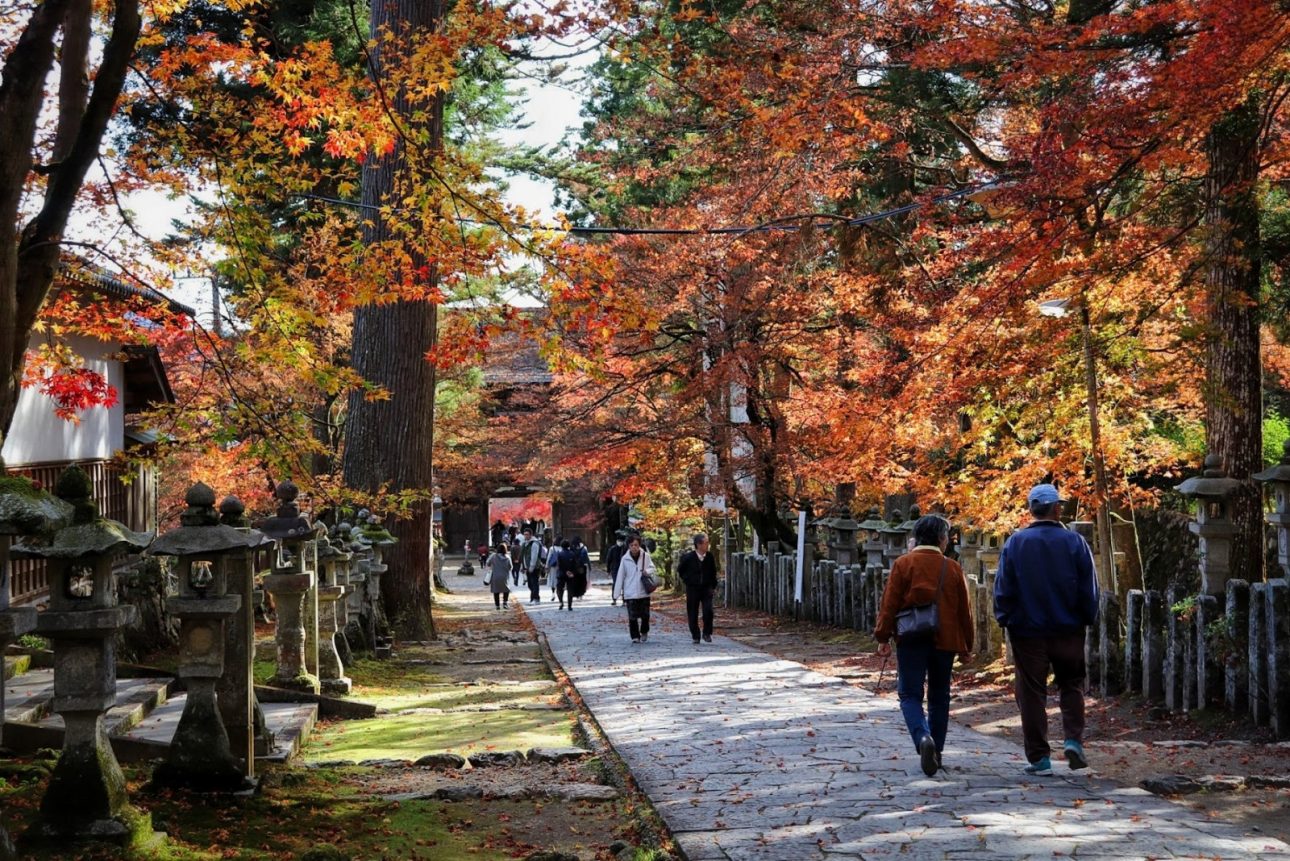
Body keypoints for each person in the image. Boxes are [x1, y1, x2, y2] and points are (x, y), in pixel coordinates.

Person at [994, 483, 1099, 776]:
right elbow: (1089, 586)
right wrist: (1087, 616)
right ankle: (1073, 740)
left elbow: (1003, 587)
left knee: (1031, 692)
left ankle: (1040, 757)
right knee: (1072, 684)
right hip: (1068, 627)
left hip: (1027, 630)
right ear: (1056, 508)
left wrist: (1005, 618)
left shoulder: (1015, 543)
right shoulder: (1076, 542)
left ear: (1031, 509)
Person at [874, 514, 973, 777]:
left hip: (911, 638)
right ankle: (936, 752)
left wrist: (883, 637)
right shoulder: (952, 567)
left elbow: (889, 604)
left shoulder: (904, 564)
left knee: (909, 694)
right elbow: (964, 610)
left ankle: (922, 738)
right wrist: (967, 646)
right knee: (940, 696)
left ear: (916, 537)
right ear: (942, 539)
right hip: (946, 639)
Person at [612, 535, 657, 643]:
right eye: (631, 545)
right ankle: (635, 636)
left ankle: (644, 631)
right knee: (632, 616)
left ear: (639, 545)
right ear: (628, 546)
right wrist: (616, 593)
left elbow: (653, 567)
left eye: (636, 545)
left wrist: (647, 571)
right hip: (630, 592)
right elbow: (620, 576)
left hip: (643, 591)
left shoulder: (645, 556)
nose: (634, 547)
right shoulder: (625, 559)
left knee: (645, 615)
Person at [677, 533, 719, 644]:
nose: (707, 545)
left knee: (708, 610)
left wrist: (713, 585)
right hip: (693, 588)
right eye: (706, 543)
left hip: (706, 588)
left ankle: (707, 632)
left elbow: (713, 571)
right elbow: (681, 570)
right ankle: (695, 634)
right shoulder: (689, 557)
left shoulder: (709, 557)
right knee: (692, 612)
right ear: (699, 545)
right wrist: (688, 580)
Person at [485, 542, 512, 610]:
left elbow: (488, 563)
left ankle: (497, 605)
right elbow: (510, 567)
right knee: (506, 590)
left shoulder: (493, 556)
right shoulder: (507, 557)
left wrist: (492, 566)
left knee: (496, 591)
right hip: (504, 576)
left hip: (495, 576)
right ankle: (505, 603)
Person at [520, 528, 544, 604]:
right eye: (524, 534)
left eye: (527, 534)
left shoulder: (534, 543)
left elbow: (534, 556)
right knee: (530, 584)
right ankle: (533, 598)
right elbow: (523, 556)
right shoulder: (525, 543)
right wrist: (522, 566)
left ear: (531, 535)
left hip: (534, 567)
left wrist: (531, 567)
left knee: (534, 583)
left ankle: (536, 599)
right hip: (527, 567)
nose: (525, 536)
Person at [605, 531, 628, 606]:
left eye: (621, 541)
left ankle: (624, 600)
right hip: (615, 569)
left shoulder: (625, 549)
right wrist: (608, 570)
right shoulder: (612, 549)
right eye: (619, 541)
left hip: (624, 569)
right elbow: (609, 560)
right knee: (615, 584)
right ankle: (614, 599)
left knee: (625, 585)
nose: (620, 542)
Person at [546, 533, 562, 601]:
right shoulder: (562, 548)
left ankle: (553, 594)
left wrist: (547, 565)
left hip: (553, 566)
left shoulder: (552, 548)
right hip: (561, 566)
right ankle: (560, 594)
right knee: (559, 580)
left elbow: (549, 557)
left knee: (553, 580)